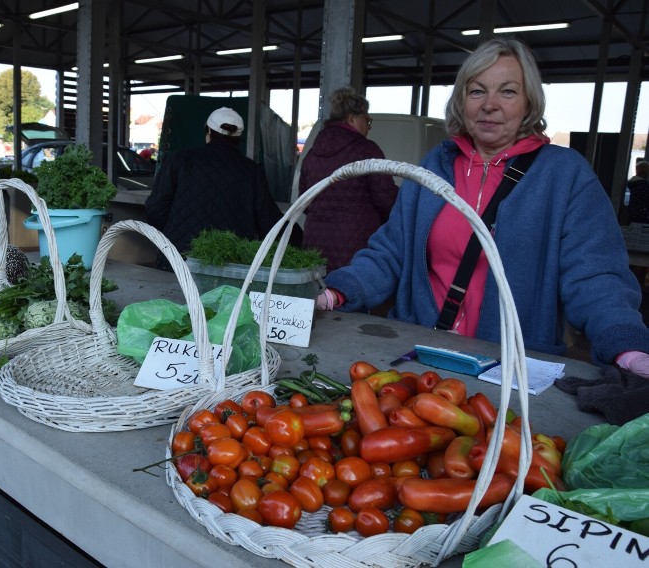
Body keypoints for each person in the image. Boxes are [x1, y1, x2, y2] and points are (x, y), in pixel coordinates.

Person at [315, 37, 649, 377]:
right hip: (420, 357)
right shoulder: (435, 166)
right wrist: (339, 291)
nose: (490, 105)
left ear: (529, 101)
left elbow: (595, 274)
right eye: (477, 91)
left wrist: (626, 345)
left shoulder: (564, 175)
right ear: (462, 100)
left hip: (510, 368)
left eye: (507, 91)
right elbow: (390, 251)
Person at [145, 107, 291, 270]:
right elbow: (268, 220)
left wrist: (171, 235)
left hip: (177, 258)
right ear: (238, 137)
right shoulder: (251, 170)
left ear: (208, 130)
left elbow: (155, 208)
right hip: (229, 262)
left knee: (171, 295)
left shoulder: (181, 160)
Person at [298, 86, 399, 271]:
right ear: (352, 118)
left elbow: (304, 200)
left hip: (314, 244)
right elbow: (386, 199)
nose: (369, 127)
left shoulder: (313, 153)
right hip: (355, 246)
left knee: (319, 296)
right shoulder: (366, 150)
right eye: (367, 120)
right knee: (349, 294)